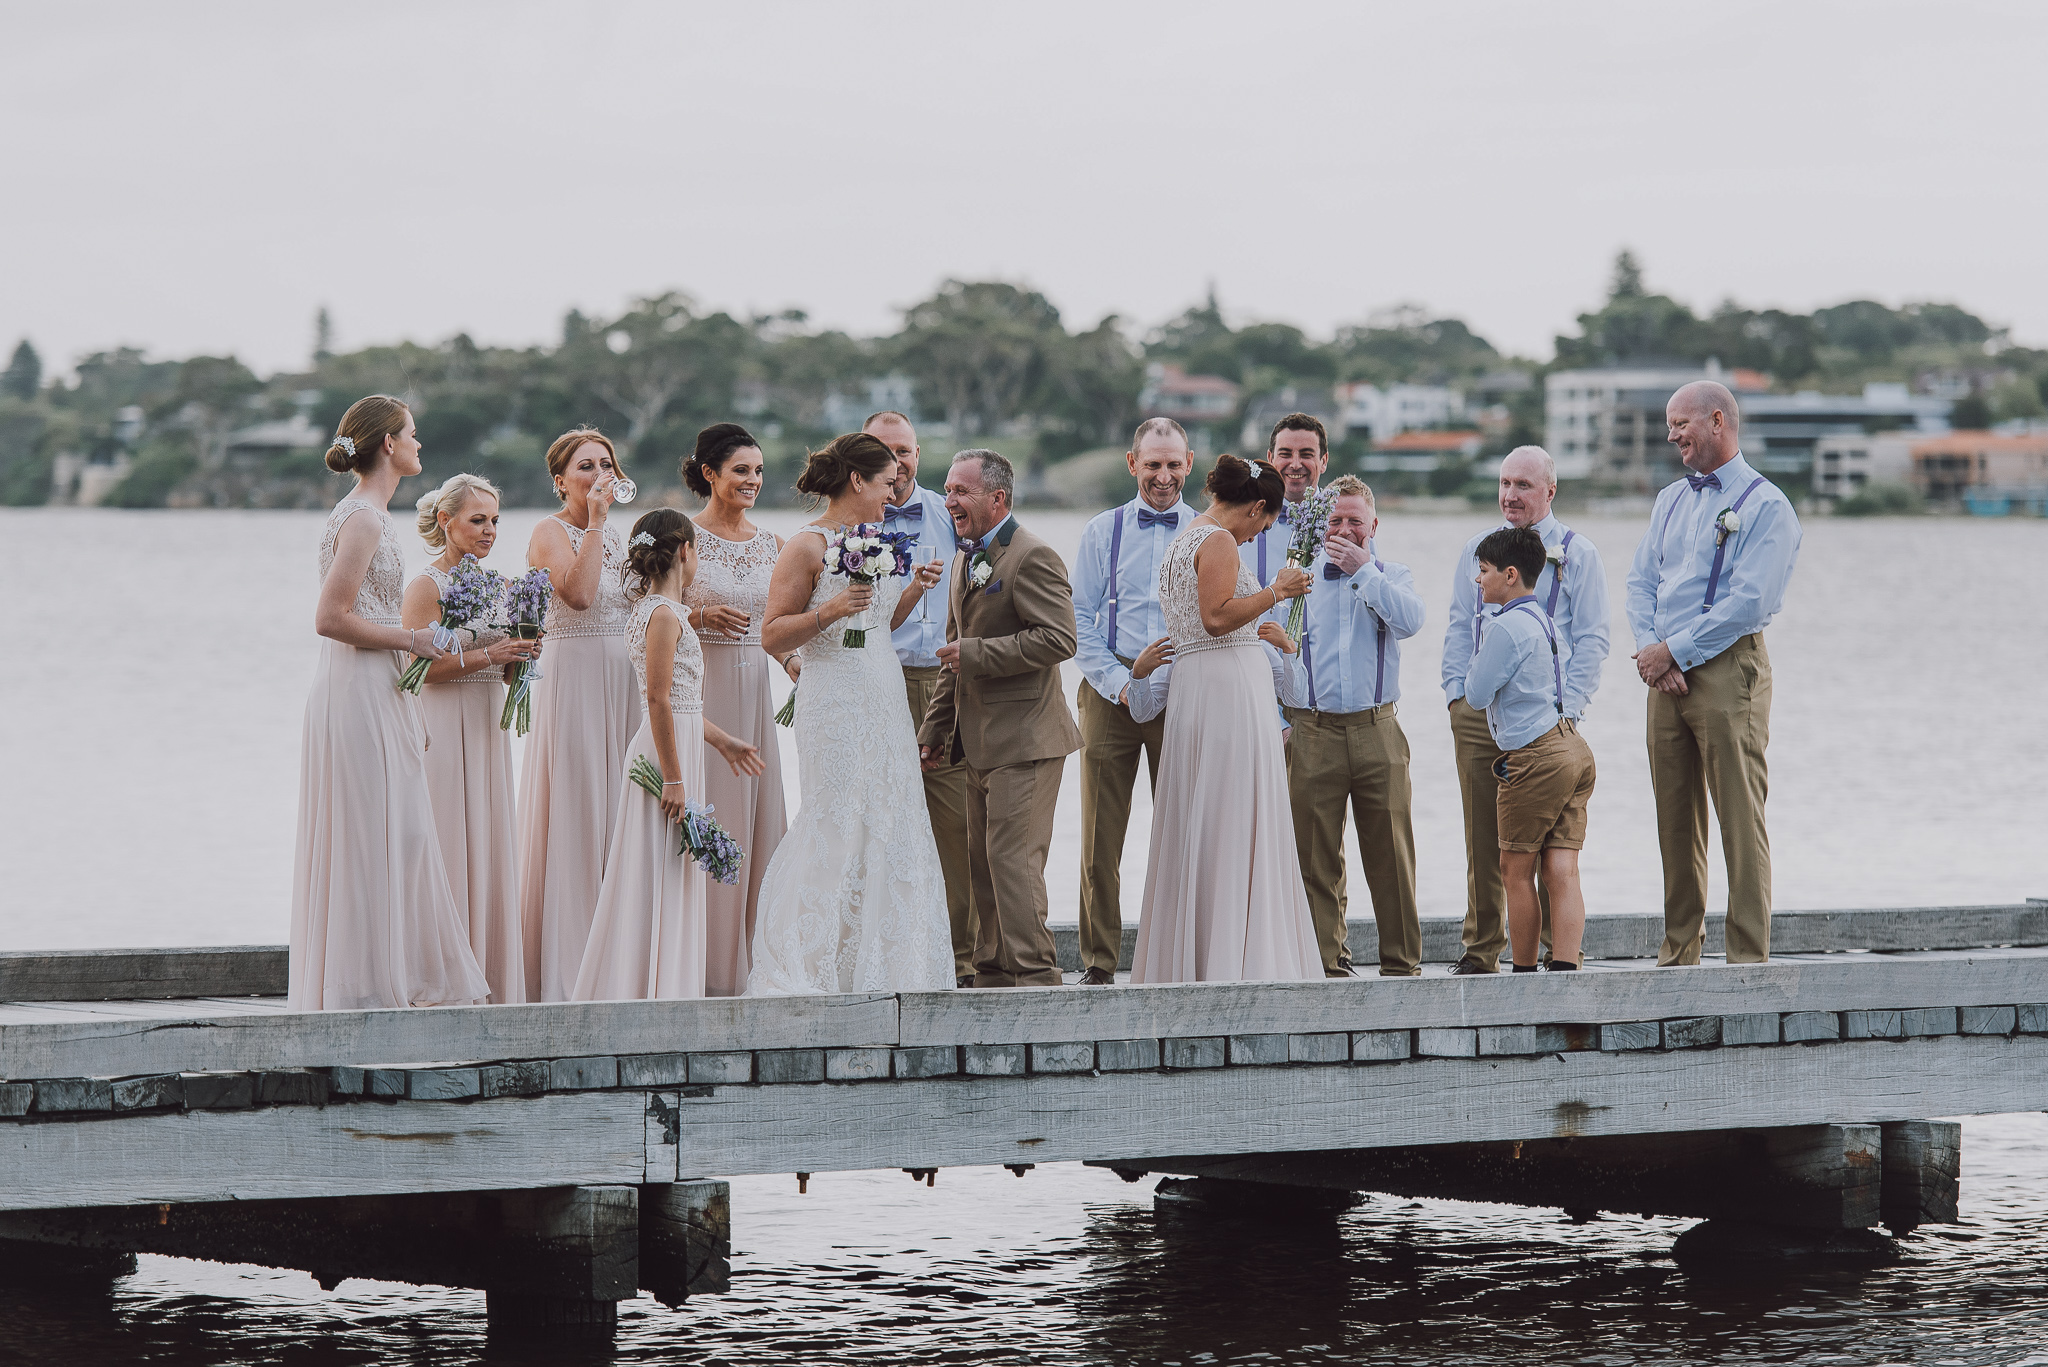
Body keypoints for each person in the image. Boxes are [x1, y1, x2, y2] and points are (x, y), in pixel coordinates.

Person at [289, 395, 488, 1011]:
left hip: (376, 686)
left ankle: (386, 976)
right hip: (355, 690)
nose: (419, 444)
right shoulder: (365, 519)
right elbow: (329, 617)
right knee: (375, 834)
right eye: (412, 435)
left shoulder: (368, 513)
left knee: (393, 833)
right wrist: (415, 638)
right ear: (387, 446)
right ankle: (363, 989)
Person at [749, 434, 953, 994]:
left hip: (881, 690)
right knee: (837, 816)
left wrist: (911, 589)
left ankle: (883, 964)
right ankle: (812, 961)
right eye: (888, 484)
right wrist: (832, 609)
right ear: (858, 481)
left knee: (888, 817)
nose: (894, 494)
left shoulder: (879, 540)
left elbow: (874, 627)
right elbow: (771, 634)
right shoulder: (806, 546)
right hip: (833, 696)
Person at [1626, 381, 1801, 966]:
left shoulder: (1766, 505)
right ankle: (1680, 952)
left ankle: (1748, 958)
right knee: (1674, 815)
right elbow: (1640, 582)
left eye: (1681, 423)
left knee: (1738, 814)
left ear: (1718, 420)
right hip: (1664, 672)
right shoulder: (1670, 499)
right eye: (1670, 425)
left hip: (1729, 670)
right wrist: (1654, 650)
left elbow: (1750, 601)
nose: (1671, 434)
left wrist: (1676, 650)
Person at [1130, 454, 1322, 985]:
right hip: (1225, 689)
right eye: (1264, 521)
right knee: (1234, 814)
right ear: (1257, 506)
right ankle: (1237, 959)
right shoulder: (1215, 540)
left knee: (1211, 815)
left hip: (1205, 687)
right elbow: (1215, 619)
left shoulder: (1187, 536)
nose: (1258, 532)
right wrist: (1277, 592)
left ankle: (1207, 950)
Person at [573, 509, 765, 1001]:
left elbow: (681, 701)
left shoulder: (666, 612)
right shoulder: (660, 614)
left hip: (680, 745)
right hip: (665, 757)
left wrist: (723, 741)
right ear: (684, 551)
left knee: (673, 867)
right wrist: (675, 778)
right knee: (657, 866)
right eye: (696, 550)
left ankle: (670, 981)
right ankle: (646, 985)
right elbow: (657, 698)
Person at [1441, 446, 1610, 974]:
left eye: (1523, 485)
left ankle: (1538, 963)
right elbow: (1457, 625)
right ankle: (1482, 947)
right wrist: (1454, 695)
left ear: (1550, 492)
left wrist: (1567, 709)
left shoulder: (1578, 554)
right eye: (1505, 482)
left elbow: (1593, 640)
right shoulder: (1478, 548)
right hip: (1481, 713)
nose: (1510, 494)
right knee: (1483, 833)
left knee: (1524, 853)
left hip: (1545, 722)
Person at [918, 450, 1082, 989]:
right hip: (976, 743)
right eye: (947, 490)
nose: (950, 501)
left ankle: (1038, 984)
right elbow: (953, 653)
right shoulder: (965, 559)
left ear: (998, 499)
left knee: (1013, 866)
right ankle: (991, 979)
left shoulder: (1033, 556)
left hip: (1028, 740)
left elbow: (1059, 639)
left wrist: (980, 654)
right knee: (983, 870)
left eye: (962, 491)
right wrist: (935, 730)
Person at [401, 472, 539, 1004]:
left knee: (487, 844)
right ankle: (437, 975)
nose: (489, 531)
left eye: (495, 521)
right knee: (445, 843)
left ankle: (487, 974)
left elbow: (506, 672)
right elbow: (418, 669)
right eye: (478, 520)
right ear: (446, 521)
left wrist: (524, 658)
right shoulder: (426, 587)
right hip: (440, 723)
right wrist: (491, 654)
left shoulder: (505, 587)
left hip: (486, 728)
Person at [1069, 416, 1197, 985]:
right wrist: (1119, 683)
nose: (1163, 476)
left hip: (1185, 692)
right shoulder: (1102, 530)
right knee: (1101, 835)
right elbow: (1078, 619)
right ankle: (1099, 963)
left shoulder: (1209, 532)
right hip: (1110, 688)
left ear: (1189, 464)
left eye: (1173, 464)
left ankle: (1176, 957)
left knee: (1182, 829)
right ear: (1132, 464)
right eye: (1153, 464)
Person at [1285, 476, 1427, 979]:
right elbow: (1273, 649)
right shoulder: (1297, 581)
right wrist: (1284, 719)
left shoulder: (1393, 574)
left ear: (1373, 525)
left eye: (1355, 522)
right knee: (1314, 857)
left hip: (1378, 730)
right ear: (1322, 526)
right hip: (1313, 730)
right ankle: (1326, 963)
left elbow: (1412, 621)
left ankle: (1402, 965)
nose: (1345, 530)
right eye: (1336, 521)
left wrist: (1365, 571)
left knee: (1392, 853)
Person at [515, 428, 639, 1002]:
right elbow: (580, 595)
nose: (599, 475)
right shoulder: (551, 531)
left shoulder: (619, 536)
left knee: (623, 808)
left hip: (626, 680)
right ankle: (571, 969)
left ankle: (623, 957)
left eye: (607, 465)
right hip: (578, 677)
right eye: (586, 466)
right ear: (560, 480)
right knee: (580, 808)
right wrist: (593, 522)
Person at [679, 422, 791, 996]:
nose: (753, 480)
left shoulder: (773, 544)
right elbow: (646, 615)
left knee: (759, 822)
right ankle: (703, 966)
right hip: (704, 694)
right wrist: (698, 619)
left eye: (759, 471)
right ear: (710, 474)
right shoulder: (682, 538)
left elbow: (776, 631)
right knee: (713, 818)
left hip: (757, 696)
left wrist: (797, 668)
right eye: (742, 470)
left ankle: (754, 964)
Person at [867, 409, 974, 986]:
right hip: (875, 682)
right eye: (885, 449)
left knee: (953, 825)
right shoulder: (844, 525)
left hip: (944, 682)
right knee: (878, 821)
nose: (898, 460)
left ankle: (958, 959)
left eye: (906, 450)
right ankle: (880, 956)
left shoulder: (948, 513)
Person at [1462, 527, 1595, 972]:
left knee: (1514, 870)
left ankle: (1522, 975)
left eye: (1483, 571)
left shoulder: (1506, 627)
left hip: (1535, 758)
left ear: (1511, 574)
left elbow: (1477, 693)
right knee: (1562, 870)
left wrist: (1482, 634)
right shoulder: (1547, 621)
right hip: (1571, 748)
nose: (1477, 580)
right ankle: (1564, 971)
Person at [1238, 413, 1331, 616]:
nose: (1295, 464)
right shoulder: (1243, 524)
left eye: (1306, 454)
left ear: (1323, 461)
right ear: (1270, 459)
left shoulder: (1347, 522)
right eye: (1286, 454)